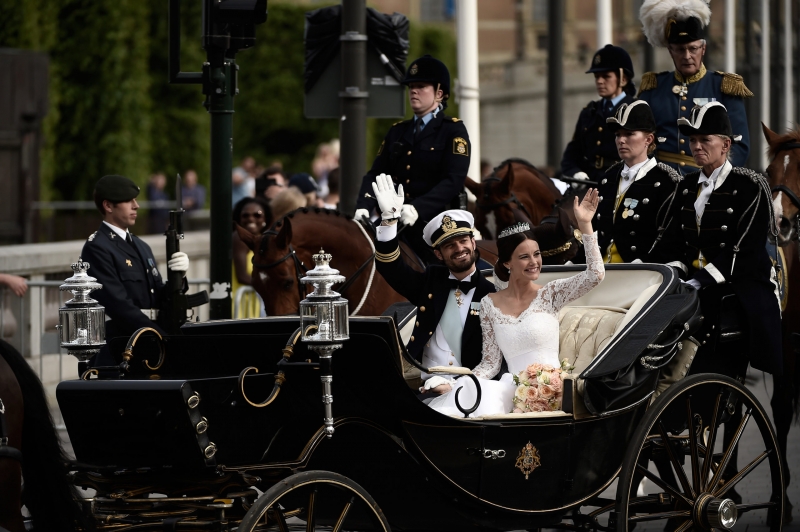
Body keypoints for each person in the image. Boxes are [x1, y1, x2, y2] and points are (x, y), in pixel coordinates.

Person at [427, 189, 603, 417]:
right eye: (524, 257)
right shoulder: (489, 303)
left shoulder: (551, 293)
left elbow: (595, 275)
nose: (534, 262)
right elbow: (490, 364)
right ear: (508, 263)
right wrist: (456, 385)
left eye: (537, 254)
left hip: (553, 389)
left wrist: (586, 225)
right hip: (511, 390)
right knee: (474, 395)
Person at [661, 102, 781, 376]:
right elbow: (672, 240)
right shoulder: (686, 185)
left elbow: (745, 251)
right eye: (692, 140)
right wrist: (674, 274)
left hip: (736, 285)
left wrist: (700, 280)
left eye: (706, 139)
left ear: (726, 145)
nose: (697, 146)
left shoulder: (750, 186)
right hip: (693, 283)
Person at [371, 174, 494, 397]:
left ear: (473, 242)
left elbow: (494, 361)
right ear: (438, 254)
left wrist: (457, 387)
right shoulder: (430, 283)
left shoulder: (492, 293)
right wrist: (389, 221)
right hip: (423, 388)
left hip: (472, 391)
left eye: (463, 241)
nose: (459, 248)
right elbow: (391, 268)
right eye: (449, 245)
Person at [355, 55, 471, 262]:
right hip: (394, 218)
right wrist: (363, 205)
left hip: (436, 220)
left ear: (439, 93)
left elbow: (453, 180)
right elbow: (376, 174)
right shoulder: (397, 131)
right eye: (411, 87)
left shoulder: (452, 130)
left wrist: (418, 207)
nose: (414, 91)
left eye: (421, 86)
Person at [80, 175, 190, 366]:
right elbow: (119, 306)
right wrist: (160, 337)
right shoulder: (97, 247)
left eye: (135, 200)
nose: (136, 205)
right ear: (108, 206)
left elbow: (157, 296)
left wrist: (179, 277)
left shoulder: (141, 246)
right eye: (128, 200)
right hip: (122, 349)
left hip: (149, 341)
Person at [638, 0, 752, 173]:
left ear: (703, 49)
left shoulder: (724, 86)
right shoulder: (653, 87)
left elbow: (739, 144)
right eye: (680, 49)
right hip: (660, 182)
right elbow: (640, 140)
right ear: (670, 51)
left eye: (693, 49)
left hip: (706, 181)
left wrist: (716, 180)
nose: (687, 56)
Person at [594, 100, 682, 264]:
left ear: (648, 139)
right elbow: (595, 231)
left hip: (642, 273)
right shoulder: (608, 178)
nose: (621, 140)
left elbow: (669, 241)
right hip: (601, 273)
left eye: (629, 134)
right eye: (618, 135)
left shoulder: (666, 182)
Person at [561, 45, 636, 184]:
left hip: (622, 183)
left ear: (623, 79)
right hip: (589, 183)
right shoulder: (589, 112)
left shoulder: (636, 110)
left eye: (606, 76)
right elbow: (571, 155)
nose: (599, 81)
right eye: (597, 77)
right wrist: (576, 173)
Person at [232, 197, 270, 318]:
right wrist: (270, 285)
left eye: (257, 215)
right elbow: (242, 276)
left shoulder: (262, 240)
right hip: (242, 304)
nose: (251, 219)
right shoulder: (239, 238)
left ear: (265, 218)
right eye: (245, 215)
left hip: (254, 302)